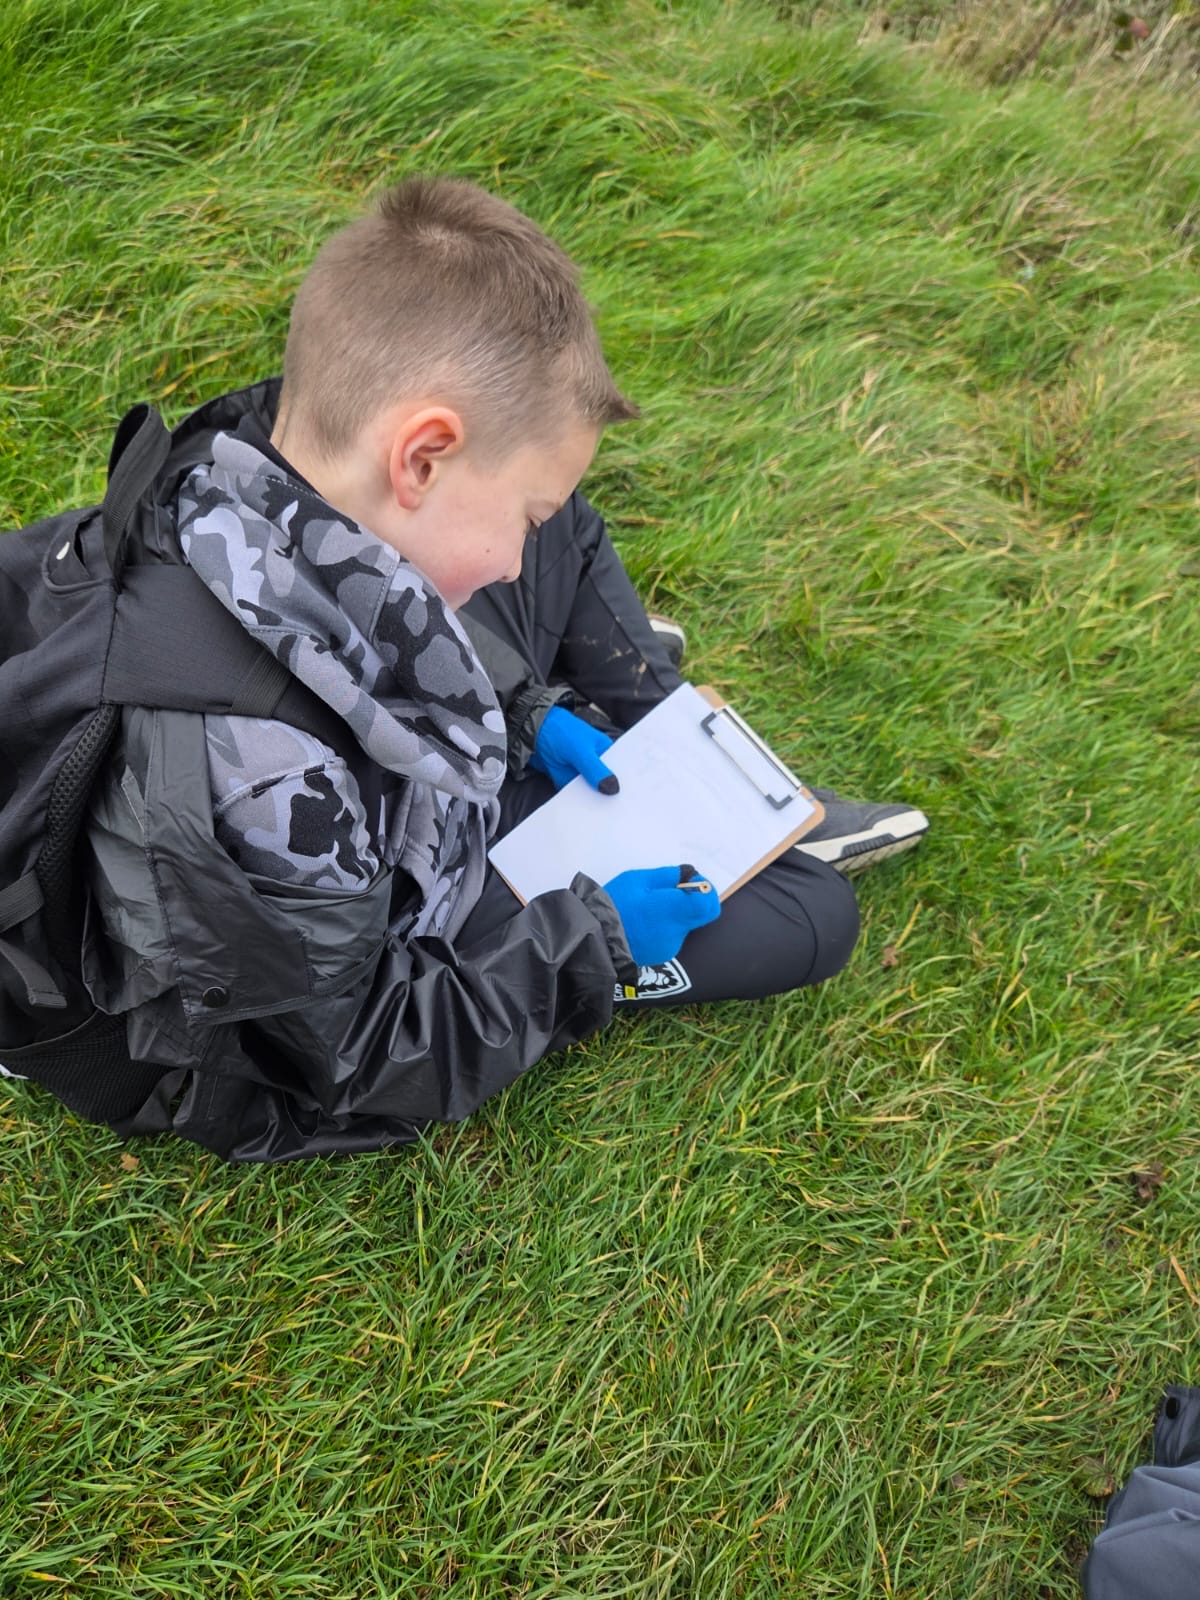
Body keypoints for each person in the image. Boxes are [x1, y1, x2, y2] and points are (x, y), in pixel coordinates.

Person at [82, 176, 928, 1161]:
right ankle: (713, 796)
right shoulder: (277, 786)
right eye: (517, 520)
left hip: (410, 804)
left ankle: (681, 752)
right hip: (405, 906)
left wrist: (523, 707)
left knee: (563, 525)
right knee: (814, 916)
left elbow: (349, 601)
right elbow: (363, 1062)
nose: (516, 566)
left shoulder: (242, 458)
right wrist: (599, 944)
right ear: (422, 457)